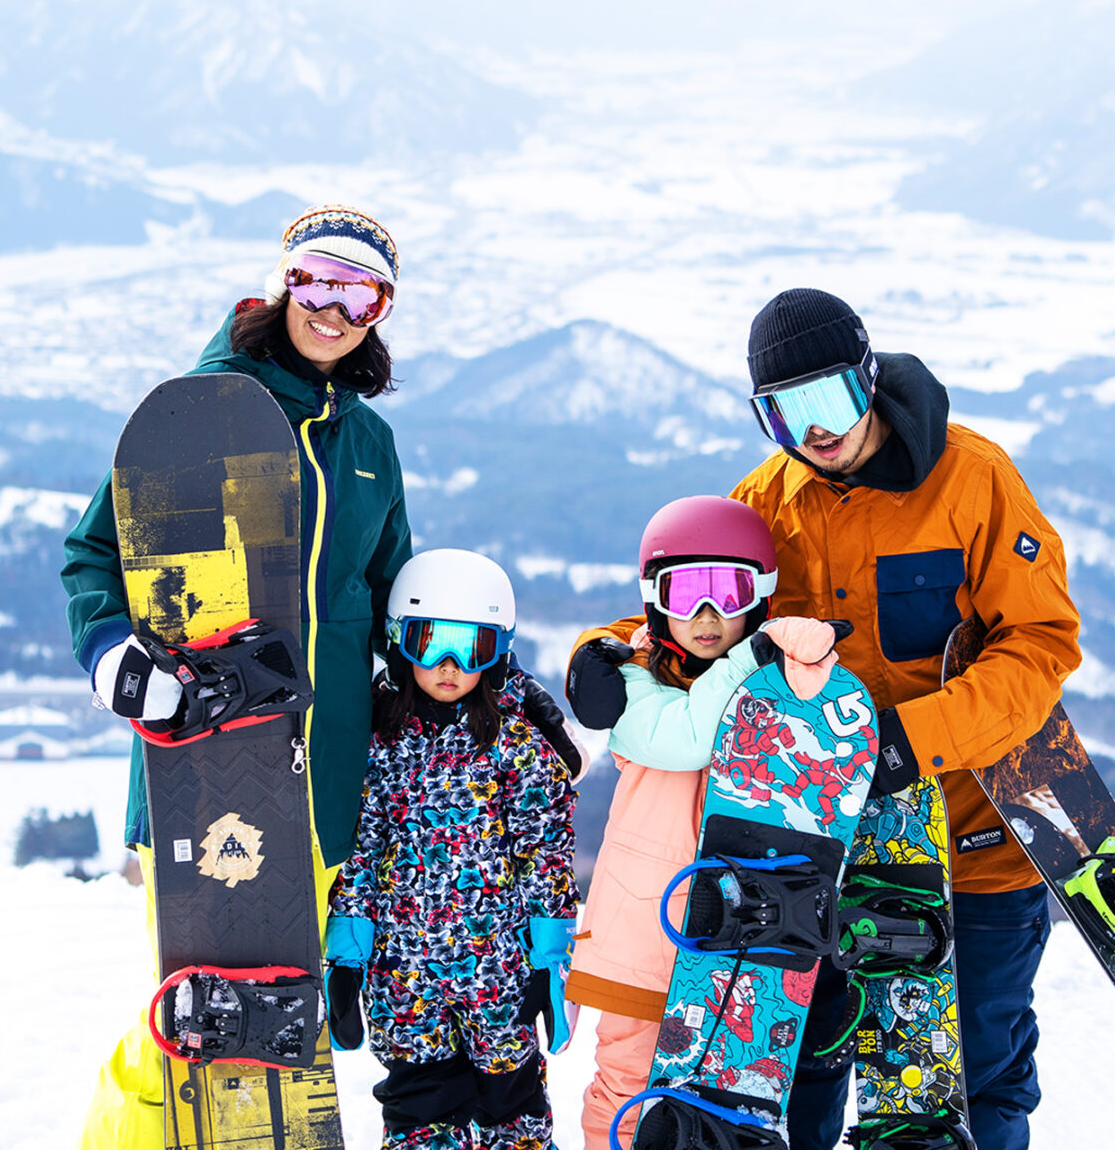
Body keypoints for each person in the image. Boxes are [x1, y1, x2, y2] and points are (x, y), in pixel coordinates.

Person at [566, 289, 1082, 1150]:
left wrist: (916, 741)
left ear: (869, 379)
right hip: (818, 846)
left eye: (828, 398)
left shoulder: (974, 480)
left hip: (973, 833)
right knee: (795, 1063)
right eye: (783, 410)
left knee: (972, 1074)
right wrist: (610, 648)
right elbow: (702, 605)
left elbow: (1040, 643)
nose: (813, 429)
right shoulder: (769, 500)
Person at [60, 203, 415, 1150]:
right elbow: (92, 558)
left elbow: (392, 600)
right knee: (190, 1016)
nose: (332, 308)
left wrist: (478, 680)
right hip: (202, 768)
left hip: (322, 781)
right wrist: (112, 659)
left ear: (381, 309)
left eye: (359, 291)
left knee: (273, 1020)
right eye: (316, 280)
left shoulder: (369, 445)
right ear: (282, 281)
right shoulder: (200, 417)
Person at [568, 495, 873, 1150]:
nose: (706, 618)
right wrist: (753, 655)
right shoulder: (635, 680)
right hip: (647, 940)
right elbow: (688, 739)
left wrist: (811, 674)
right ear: (655, 599)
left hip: (742, 938)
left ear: (760, 594)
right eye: (686, 594)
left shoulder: (770, 678)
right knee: (626, 1089)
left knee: (726, 1108)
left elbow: (826, 769)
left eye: (728, 593)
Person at [324, 548, 580, 1150]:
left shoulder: (517, 744)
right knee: (420, 1104)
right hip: (404, 974)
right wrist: (348, 955)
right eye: (429, 640)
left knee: (509, 1103)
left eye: (472, 648)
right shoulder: (382, 741)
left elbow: (545, 850)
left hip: (499, 971)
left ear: (497, 653)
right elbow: (362, 848)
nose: (448, 665)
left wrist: (548, 959)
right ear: (399, 643)